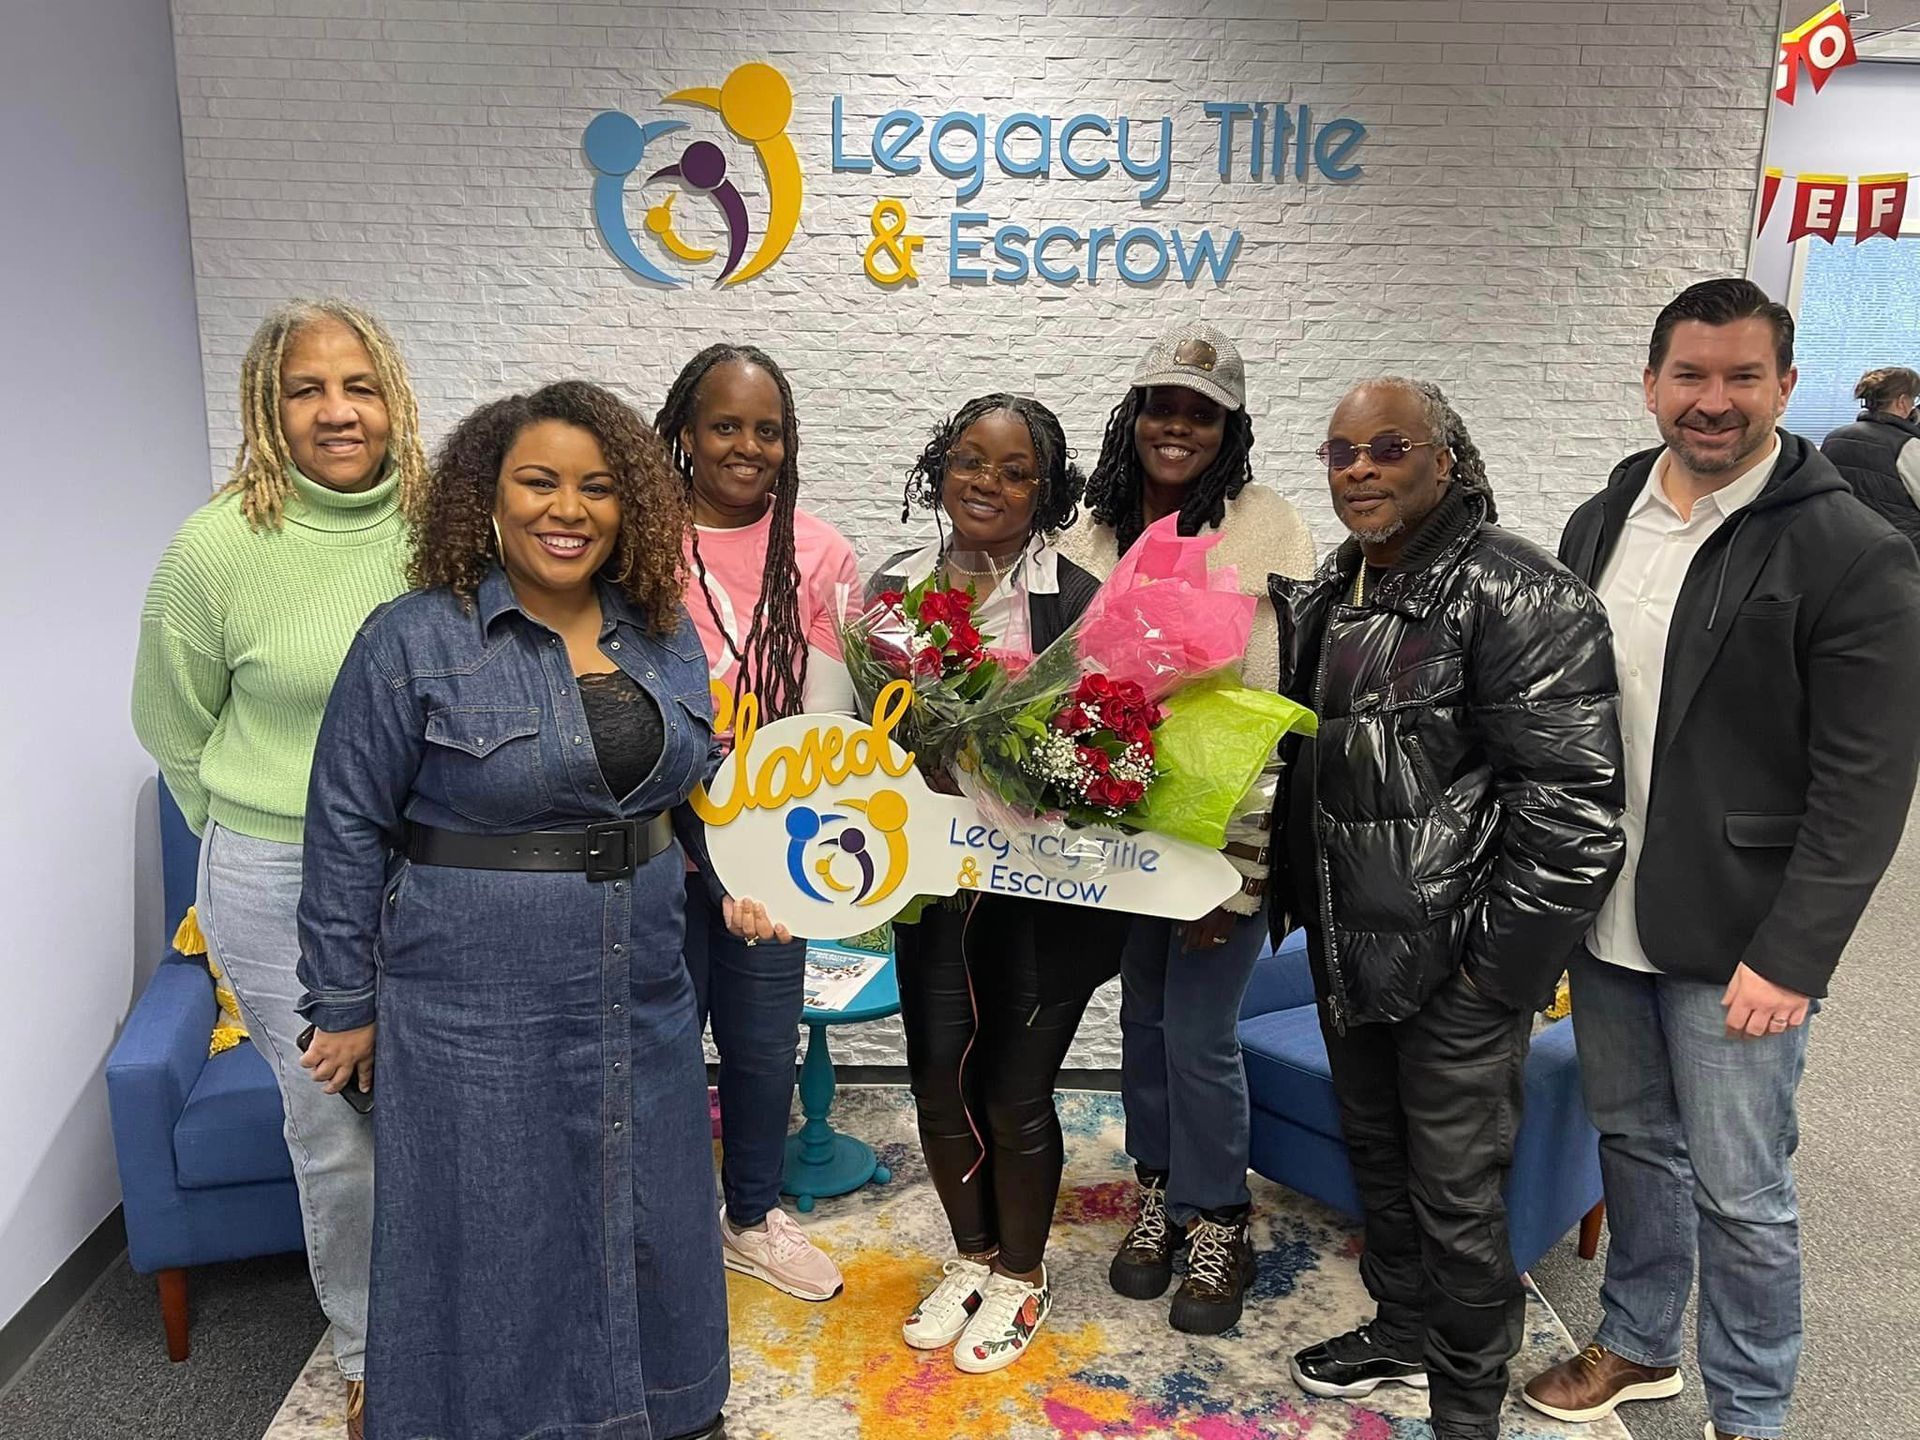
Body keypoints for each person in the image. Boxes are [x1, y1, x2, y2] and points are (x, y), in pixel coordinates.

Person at [295, 380, 783, 1440]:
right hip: (472, 1000)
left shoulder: (661, 636)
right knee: (496, 1226)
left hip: (641, 984)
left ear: (629, 506)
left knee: (648, 1207)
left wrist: (751, 885)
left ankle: (658, 1412)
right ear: (488, 495)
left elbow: (695, 795)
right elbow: (344, 824)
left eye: (598, 488)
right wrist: (342, 1002)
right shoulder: (412, 641)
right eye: (539, 482)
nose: (569, 509)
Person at [1524, 280, 1920, 1440]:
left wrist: (1795, 955)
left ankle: (1750, 1412)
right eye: (1690, 375)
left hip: (1740, 932)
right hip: (1605, 909)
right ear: (1651, 384)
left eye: (1743, 376)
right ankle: (1640, 1343)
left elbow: (1867, 782)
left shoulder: (1849, 549)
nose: (1714, 400)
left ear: (1785, 387)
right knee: (1634, 1145)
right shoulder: (1604, 518)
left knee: (1744, 1192)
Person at [1272, 378, 1625, 1440]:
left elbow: (1573, 814)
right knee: (1377, 1161)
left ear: (1447, 460)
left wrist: (1491, 980)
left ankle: (1467, 1411)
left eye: (1387, 447)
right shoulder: (1338, 583)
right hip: (1349, 945)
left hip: (1457, 965)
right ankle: (1402, 1332)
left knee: (1458, 1201)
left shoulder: (1521, 593)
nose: (1359, 469)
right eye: (1340, 452)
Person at [132, 297, 428, 1439]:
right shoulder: (214, 551)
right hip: (276, 881)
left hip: (427, 870)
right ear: (269, 406)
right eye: (307, 390)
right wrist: (257, 827)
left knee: (441, 1104)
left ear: (393, 397)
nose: (337, 411)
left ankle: (458, 1317)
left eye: (358, 386)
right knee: (333, 1124)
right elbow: (172, 726)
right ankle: (370, 1355)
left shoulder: (443, 525)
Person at [1059, 323, 1315, 1335]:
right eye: (1162, 406)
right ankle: (1158, 1193)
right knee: (1145, 1019)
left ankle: (1220, 1219)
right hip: (1118, 819)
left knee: (1202, 1031)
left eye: (1202, 413)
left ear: (1230, 428)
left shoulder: (1269, 526)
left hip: (1228, 817)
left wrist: (1244, 863)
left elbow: (1282, 692)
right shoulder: (1090, 531)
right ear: (1134, 415)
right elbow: (1059, 674)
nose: (1179, 427)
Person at [871, 393, 1132, 1374]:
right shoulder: (891, 590)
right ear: (940, 467)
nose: (988, 482)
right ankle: (972, 1255)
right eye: (971, 461)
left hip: (1043, 895)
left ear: (1047, 491)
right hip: (932, 885)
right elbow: (859, 739)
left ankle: (1023, 1274)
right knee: (938, 1079)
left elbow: (1119, 743)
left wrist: (1051, 771)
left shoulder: (1081, 598)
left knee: (1015, 1091)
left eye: (1017, 471)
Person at [653, 344, 858, 1303]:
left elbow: (826, 725)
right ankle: (659, 1221)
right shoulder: (640, 539)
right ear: (686, 433)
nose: (746, 446)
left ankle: (751, 1216)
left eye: (766, 430)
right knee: (658, 1043)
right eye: (725, 425)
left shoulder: (820, 554)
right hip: (655, 843)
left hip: (771, 847)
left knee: (765, 1045)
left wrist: (767, 855)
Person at [1819, 364, 1920, 551]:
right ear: (1902, 402)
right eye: (1913, 400)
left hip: (1842, 544)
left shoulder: (1834, 437)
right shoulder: (1908, 445)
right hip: (1900, 550)